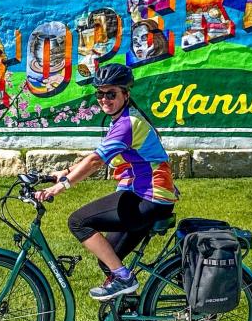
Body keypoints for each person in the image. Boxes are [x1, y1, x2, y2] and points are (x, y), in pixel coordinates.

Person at [34, 63, 178, 301]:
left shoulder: (128, 124)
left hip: (148, 197)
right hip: (149, 197)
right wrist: (64, 172)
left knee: (78, 221)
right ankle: (135, 315)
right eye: (100, 93)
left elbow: (95, 161)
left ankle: (125, 279)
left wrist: (61, 186)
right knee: (108, 260)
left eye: (111, 94)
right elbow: (98, 154)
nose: (104, 99)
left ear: (126, 94)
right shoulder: (122, 121)